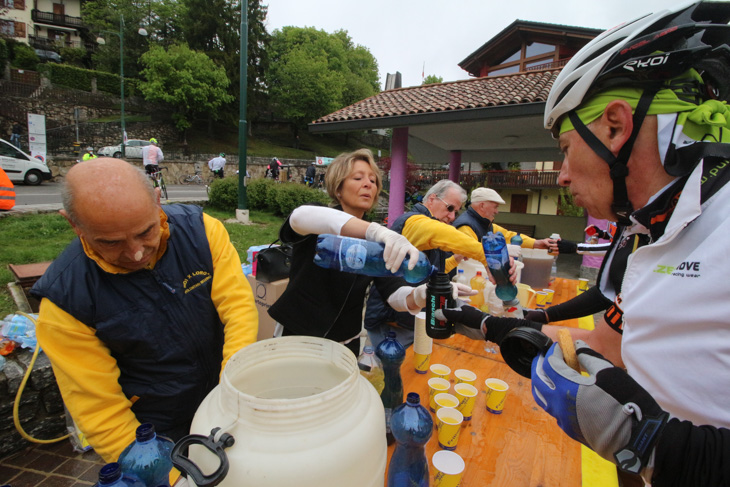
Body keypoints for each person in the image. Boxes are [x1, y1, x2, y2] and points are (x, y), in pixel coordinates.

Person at [442, 3, 730, 485]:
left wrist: (652, 444)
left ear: (615, 126)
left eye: (566, 151)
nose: (563, 175)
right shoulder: (650, 231)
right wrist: (488, 324)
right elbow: (602, 347)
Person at [30, 158, 258, 464]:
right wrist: (159, 472)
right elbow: (101, 412)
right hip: (156, 427)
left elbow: (237, 309)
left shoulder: (202, 231)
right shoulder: (65, 303)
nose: (136, 252)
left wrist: (231, 388)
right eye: (110, 242)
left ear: (157, 198)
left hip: (223, 396)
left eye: (146, 231)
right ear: (73, 224)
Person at [267, 150, 470, 357]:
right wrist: (376, 230)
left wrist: (422, 294)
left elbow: (393, 294)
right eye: (358, 178)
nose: (368, 184)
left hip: (345, 343)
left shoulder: (378, 244)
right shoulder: (318, 220)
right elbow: (300, 217)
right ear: (338, 188)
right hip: (298, 337)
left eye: (373, 180)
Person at [365, 179, 495, 348]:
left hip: (410, 321)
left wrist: (455, 260)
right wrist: (489, 258)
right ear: (432, 199)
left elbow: (427, 271)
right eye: (449, 208)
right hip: (391, 325)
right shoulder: (413, 221)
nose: (452, 217)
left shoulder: (432, 226)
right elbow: (443, 233)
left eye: (456, 211)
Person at [453, 187, 557, 251]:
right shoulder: (466, 226)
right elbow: (473, 254)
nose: (497, 211)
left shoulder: (484, 224)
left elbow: (508, 236)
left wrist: (537, 243)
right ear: (482, 206)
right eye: (495, 207)